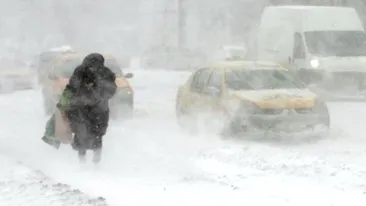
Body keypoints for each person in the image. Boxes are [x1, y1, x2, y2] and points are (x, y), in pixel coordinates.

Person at [58, 53, 117, 163]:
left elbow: (111, 89)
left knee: (97, 135)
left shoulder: (106, 73)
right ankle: (82, 161)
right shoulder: (80, 71)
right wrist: (67, 101)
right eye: (89, 66)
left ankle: (96, 161)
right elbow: (71, 87)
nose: (92, 69)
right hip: (80, 109)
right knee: (80, 134)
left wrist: (99, 98)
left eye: (94, 66)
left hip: (99, 111)